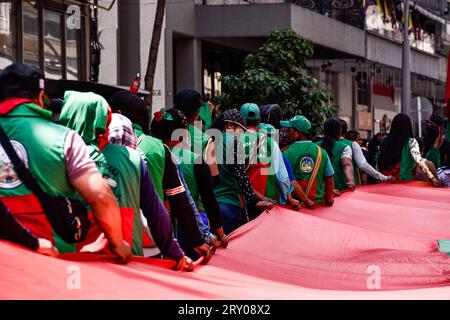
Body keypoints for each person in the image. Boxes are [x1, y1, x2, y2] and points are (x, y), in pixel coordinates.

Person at [0, 64, 131, 263]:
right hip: (52, 258)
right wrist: (118, 243)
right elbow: (101, 196)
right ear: (40, 96)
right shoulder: (65, 138)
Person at [107, 90, 213, 255]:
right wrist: (200, 238)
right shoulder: (159, 150)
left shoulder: (91, 146)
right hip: (153, 239)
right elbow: (181, 199)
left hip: (103, 238)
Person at [108, 112, 198, 270]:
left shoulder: (82, 156)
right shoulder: (140, 159)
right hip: (142, 243)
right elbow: (169, 205)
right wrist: (181, 250)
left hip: (86, 249)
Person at [151, 108, 229, 251]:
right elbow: (208, 198)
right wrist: (219, 232)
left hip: (154, 228)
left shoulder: (146, 153)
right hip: (190, 228)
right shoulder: (195, 160)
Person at [212, 109, 274, 234]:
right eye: (241, 130)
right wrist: (254, 201)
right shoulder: (234, 142)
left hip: (212, 205)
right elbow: (241, 176)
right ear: (230, 125)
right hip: (230, 204)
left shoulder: (210, 140)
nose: (241, 135)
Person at [239, 103, 298, 212]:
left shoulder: (233, 140)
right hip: (267, 202)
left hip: (240, 202)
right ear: (259, 120)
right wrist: (287, 198)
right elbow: (282, 176)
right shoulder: (270, 143)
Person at [281, 115, 335, 207]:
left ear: (297, 132)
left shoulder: (284, 153)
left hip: (293, 207)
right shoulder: (321, 152)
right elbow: (329, 178)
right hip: (316, 205)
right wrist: (329, 197)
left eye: (289, 130)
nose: (286, 133)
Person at [378, 113, 441, 187]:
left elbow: (379, 161)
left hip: (385, 182)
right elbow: (419, 162)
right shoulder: (411, 142)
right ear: (409, 127)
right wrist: (432, 177)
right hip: (405, 183)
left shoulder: (384, 141)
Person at [340, 120, 393, 184]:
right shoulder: (352, 144)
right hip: (349, 186)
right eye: (359, 139)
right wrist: (384, 178)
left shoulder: (325, 144)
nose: (361, 141)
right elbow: (363, 165)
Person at [317, 118, 356, 192]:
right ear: (339, 133)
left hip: (319, 191)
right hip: (338, 190)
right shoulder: (344, 147)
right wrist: (351, 180)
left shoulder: (315, 146)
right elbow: (346, 164)